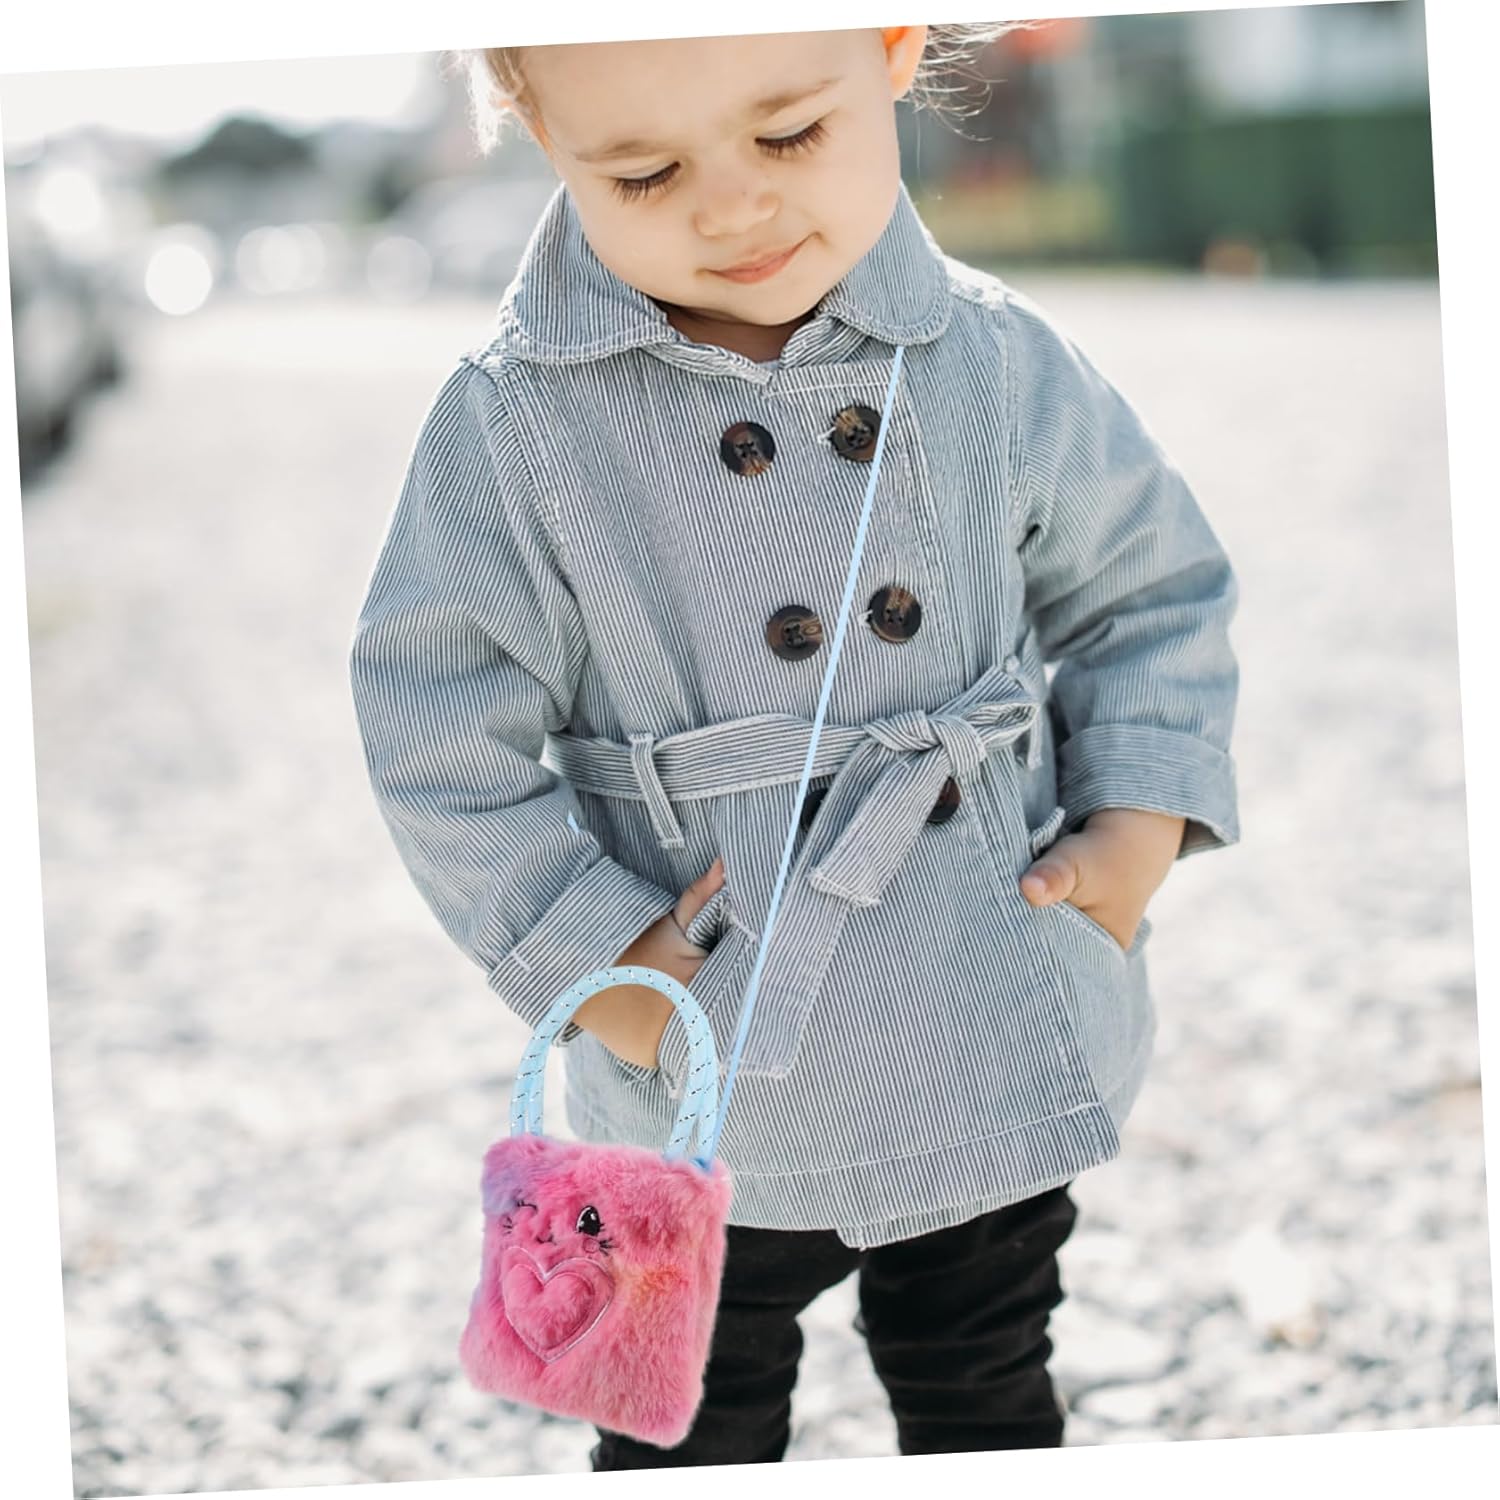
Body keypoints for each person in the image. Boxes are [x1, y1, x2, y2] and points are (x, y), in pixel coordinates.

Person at [349, 23, 1241, 1467]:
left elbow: (1152, 590)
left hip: (972, 991)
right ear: (540, 130)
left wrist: (1135, 829)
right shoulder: (517, 422)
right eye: (644, 173)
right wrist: (603, 963)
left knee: (985, 1375)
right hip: (696, 1049)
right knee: (681, 1422)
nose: (734, 206)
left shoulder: (990, 357)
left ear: (892, 48)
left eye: (788, 135)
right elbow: (434, 726)